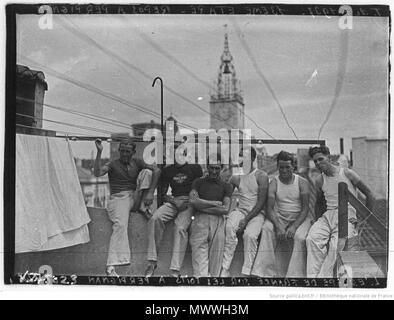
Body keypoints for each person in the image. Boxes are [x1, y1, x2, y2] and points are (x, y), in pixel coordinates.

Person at [94, 138, 160, 276]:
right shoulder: (113, 164)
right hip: (119, 198)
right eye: (122, 151)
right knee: (120, 225)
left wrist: (150, 193)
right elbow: (98, 172)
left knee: (148, 172)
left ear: (133, 152)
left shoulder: (137, 162)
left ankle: (143, 206)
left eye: (127, 152)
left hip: (135, 197)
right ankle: (111, 266)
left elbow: (157, 170)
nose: (124, 154)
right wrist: (99, 152)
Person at [306, 145, 375, 278]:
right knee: (311, 238)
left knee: (336, 246)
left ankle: (323, 279)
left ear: (329, 157)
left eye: (321, 159)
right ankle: (313, 278)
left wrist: (364, 220)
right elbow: (319, 203)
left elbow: (370, 194)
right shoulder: (320, 180)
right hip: (328, 216)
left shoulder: (347, 173)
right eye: (315, 161)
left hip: (347, 215)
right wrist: (317, 222)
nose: (318, 163)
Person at [252, 151, 311, 277]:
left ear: (293, 167)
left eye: (287, 167)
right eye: (281, 167)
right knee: (267, 229)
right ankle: (263, 273)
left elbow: (305, 209)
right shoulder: (274, 182)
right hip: (280, 217)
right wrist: (278, 226)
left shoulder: (302, 182)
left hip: (299, 218)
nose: (284, 170)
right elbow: (269, 208)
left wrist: (294, 226)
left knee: (300, 237)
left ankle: (295, 276)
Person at [144, 157, 203, 277]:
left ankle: (175, 270)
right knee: (155, 219)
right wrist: (174, 201)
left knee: (180, 227)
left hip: (190, 202)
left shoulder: (195, 168)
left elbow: (199, 191)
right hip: (174, 201)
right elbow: (163, 194)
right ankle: (152, 262)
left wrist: (191, 203)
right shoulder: (168, 170)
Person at [220, 147, 269, 277]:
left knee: (250, 236)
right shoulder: (236, 177)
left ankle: (246, 272)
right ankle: (225, 268)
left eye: (245, 156)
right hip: (240, 211)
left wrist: (246, 219)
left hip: (257, 214)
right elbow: (225, 193)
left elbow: (261, 202)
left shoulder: (261, 176)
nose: (242, 159)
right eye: (240, 156)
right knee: (229, 227)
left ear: (253, 159)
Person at [189, 154, 233, 277]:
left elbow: (225, 209)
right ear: (207, 167)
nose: (214, 171)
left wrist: (201, 205)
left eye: (217, 168)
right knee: (199, 264)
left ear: (221, 168)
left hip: (218, 222)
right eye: (212, 168)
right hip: (199, 221)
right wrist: (213, 204)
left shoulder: (226, 186)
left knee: (216, 266)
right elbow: (192, 201)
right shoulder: (198, 182)